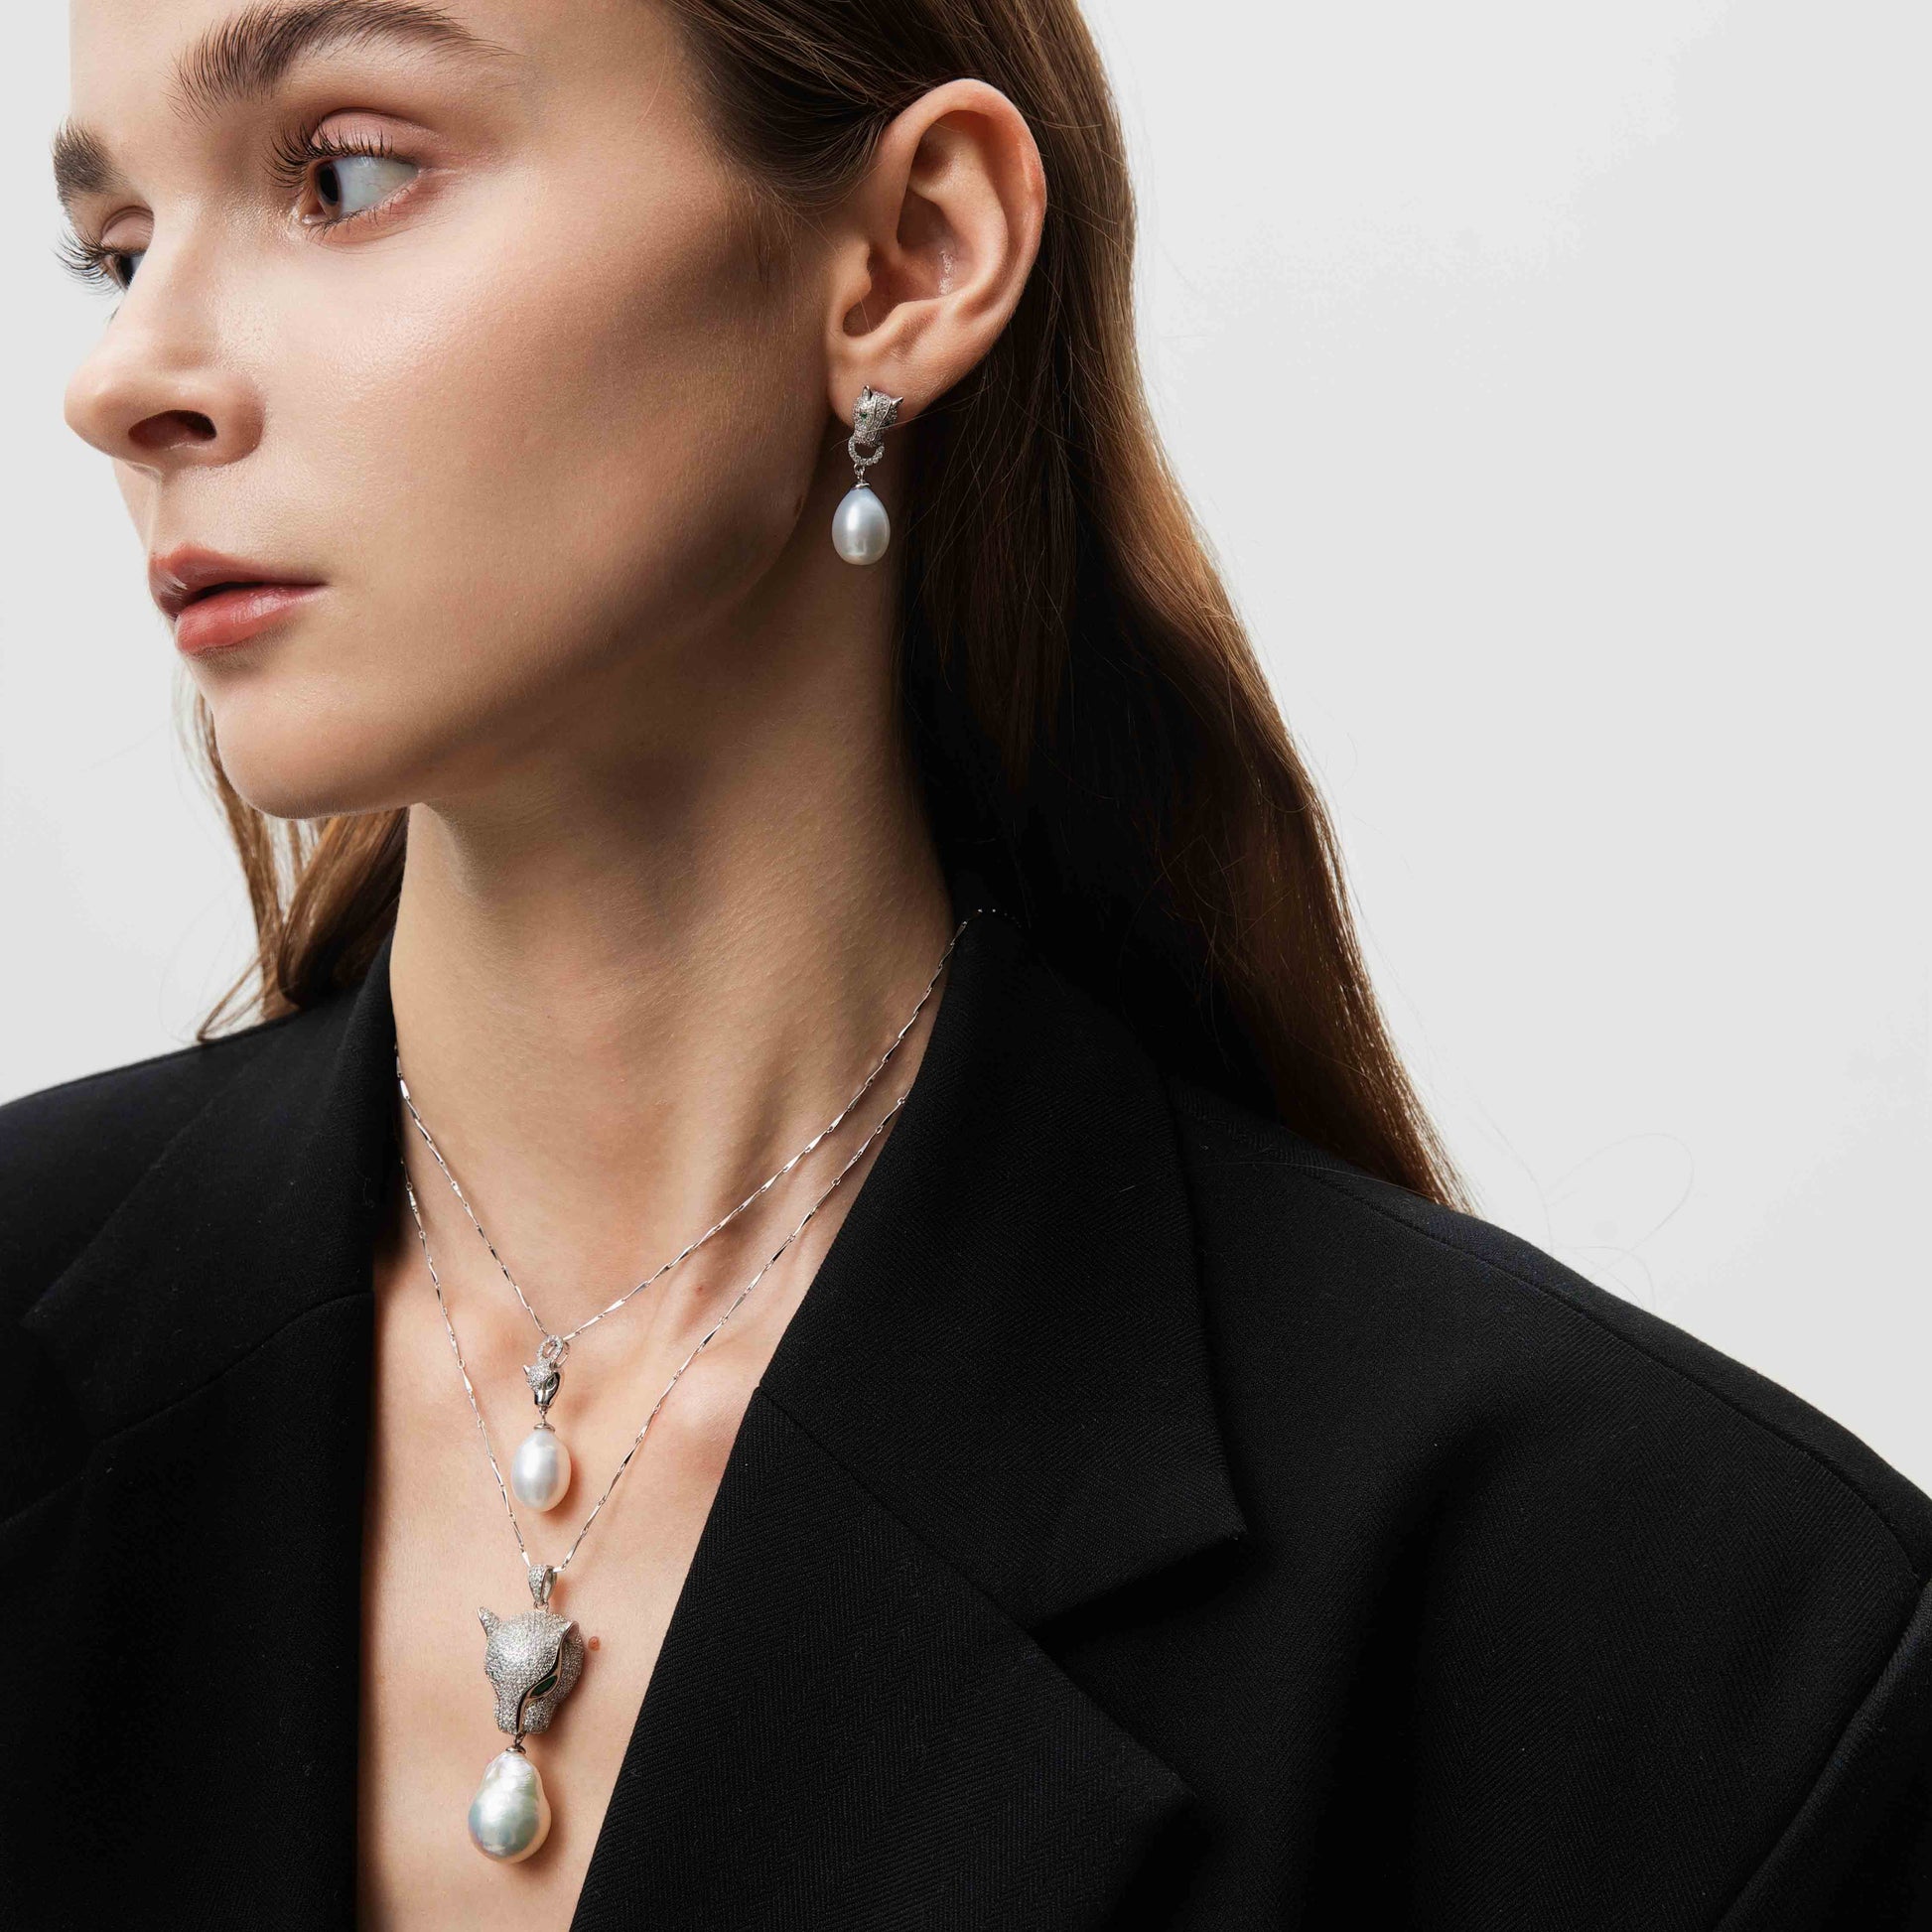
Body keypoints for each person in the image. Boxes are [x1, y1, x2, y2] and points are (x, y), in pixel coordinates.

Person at [6, 0, 1928, 1925]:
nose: (125, 378)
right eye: (117, 247)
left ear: (912, 257)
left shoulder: (1673, 1659)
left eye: (343, 176)